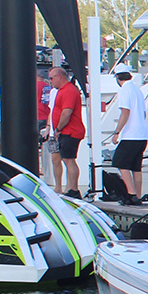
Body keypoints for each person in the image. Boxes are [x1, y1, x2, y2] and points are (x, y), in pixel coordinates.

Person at [109, 65, 148, 202]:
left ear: (117, 77)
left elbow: (125, 112)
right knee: (136, 167)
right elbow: (143, 113)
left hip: (130, 134)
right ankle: (138, 195)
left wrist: (117, 132)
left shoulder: (124, 90)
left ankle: (131, 193)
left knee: (121, 163)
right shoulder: (137, 90)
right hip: (142, 134)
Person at [45, 68, 85, 198]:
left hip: (70, 131)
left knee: (69, 160)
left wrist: (58, 128)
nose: (50, 81)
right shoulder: (62, 91)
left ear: (59, 77)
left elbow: (66, 112)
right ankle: (70, 188)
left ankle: (74, 189)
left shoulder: (68, 90)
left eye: (51, 78)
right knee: (65, 159)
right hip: (66, 131)